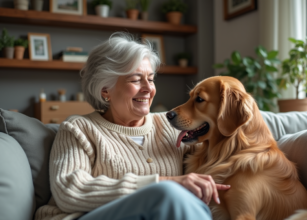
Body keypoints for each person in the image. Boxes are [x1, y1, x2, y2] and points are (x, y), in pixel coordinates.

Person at [34, 32, 230, 220]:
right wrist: (163, 182)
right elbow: (69, 191)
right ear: (105, 91)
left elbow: (224, 154)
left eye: (151, 79)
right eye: (136, 80)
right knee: (167, 193)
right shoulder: (79, 128)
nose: (148, 88)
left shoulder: (173, 126)